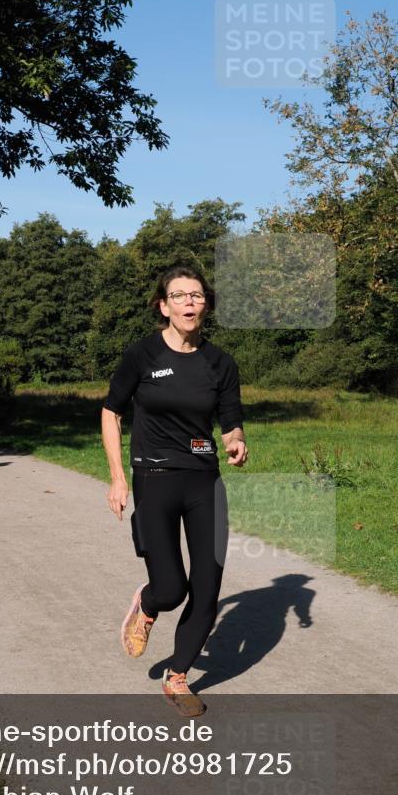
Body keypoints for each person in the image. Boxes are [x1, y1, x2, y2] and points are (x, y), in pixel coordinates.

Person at [102, 265, 248, 718]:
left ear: (206, 305)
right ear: (163, 306)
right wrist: (118, 477)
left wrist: (236, 441)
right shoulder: (142, 355)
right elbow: (111, 412)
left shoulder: (221, 363)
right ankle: (147, 605)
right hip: (154, 477)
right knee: (171, 588)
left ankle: (178, 676)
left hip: (203, 479)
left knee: (207, 587)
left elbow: (231, 420)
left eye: (197, 295)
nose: (189, 302)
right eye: (179, 295)